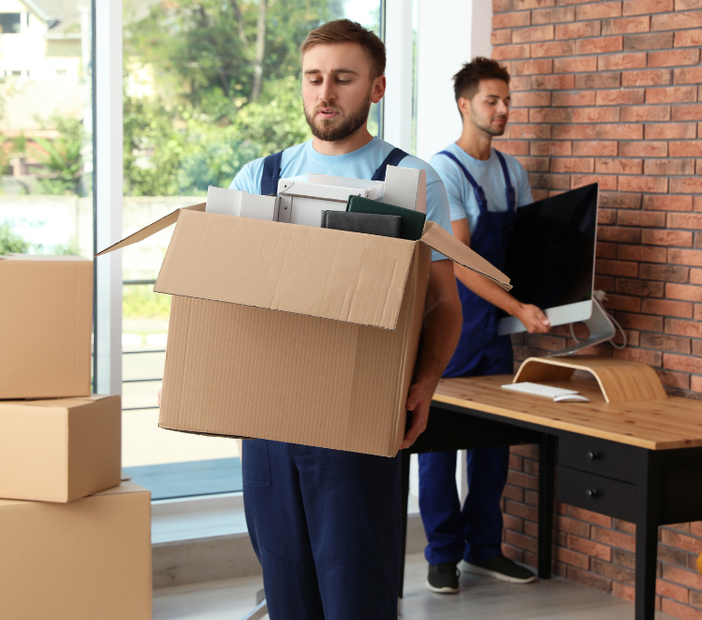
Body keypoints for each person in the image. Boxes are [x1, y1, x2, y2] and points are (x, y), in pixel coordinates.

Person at [228, 20, 463, 620]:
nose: (324, 92)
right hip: (270, 418)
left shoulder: (409, 182)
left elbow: (443, 302)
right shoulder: (259, 178)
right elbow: (226, 297)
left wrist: (427, 383)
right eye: (313, 78)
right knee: (285, 589)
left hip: (361, 412)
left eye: (342, 78)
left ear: (376, 88)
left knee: (356, 587)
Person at [419, 57, 551, 594]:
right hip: (450, 328)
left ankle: (485, 549)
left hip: (495, 336)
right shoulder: (442, 170)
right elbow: (461, 263)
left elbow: (526, 251)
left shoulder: (511, 171)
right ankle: (442, 556)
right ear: (464, 104)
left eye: (506, 101)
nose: (502, 110)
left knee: (493, 449)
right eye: (491, 100)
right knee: (437, 449)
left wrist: (563, 299)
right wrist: (520, 310)